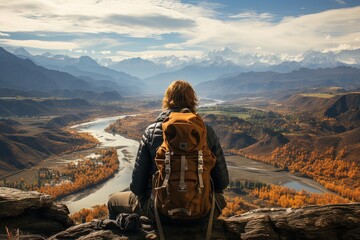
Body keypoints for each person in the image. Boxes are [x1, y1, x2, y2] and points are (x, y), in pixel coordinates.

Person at [108, 80, 229, 224]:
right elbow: (222, 183)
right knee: (220, 197)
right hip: (202, 211)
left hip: (160, 213)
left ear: (167, 100)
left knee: (112, 201)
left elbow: (137, 187)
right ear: (193, 102)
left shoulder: (151, 132)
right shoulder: (206, 132)